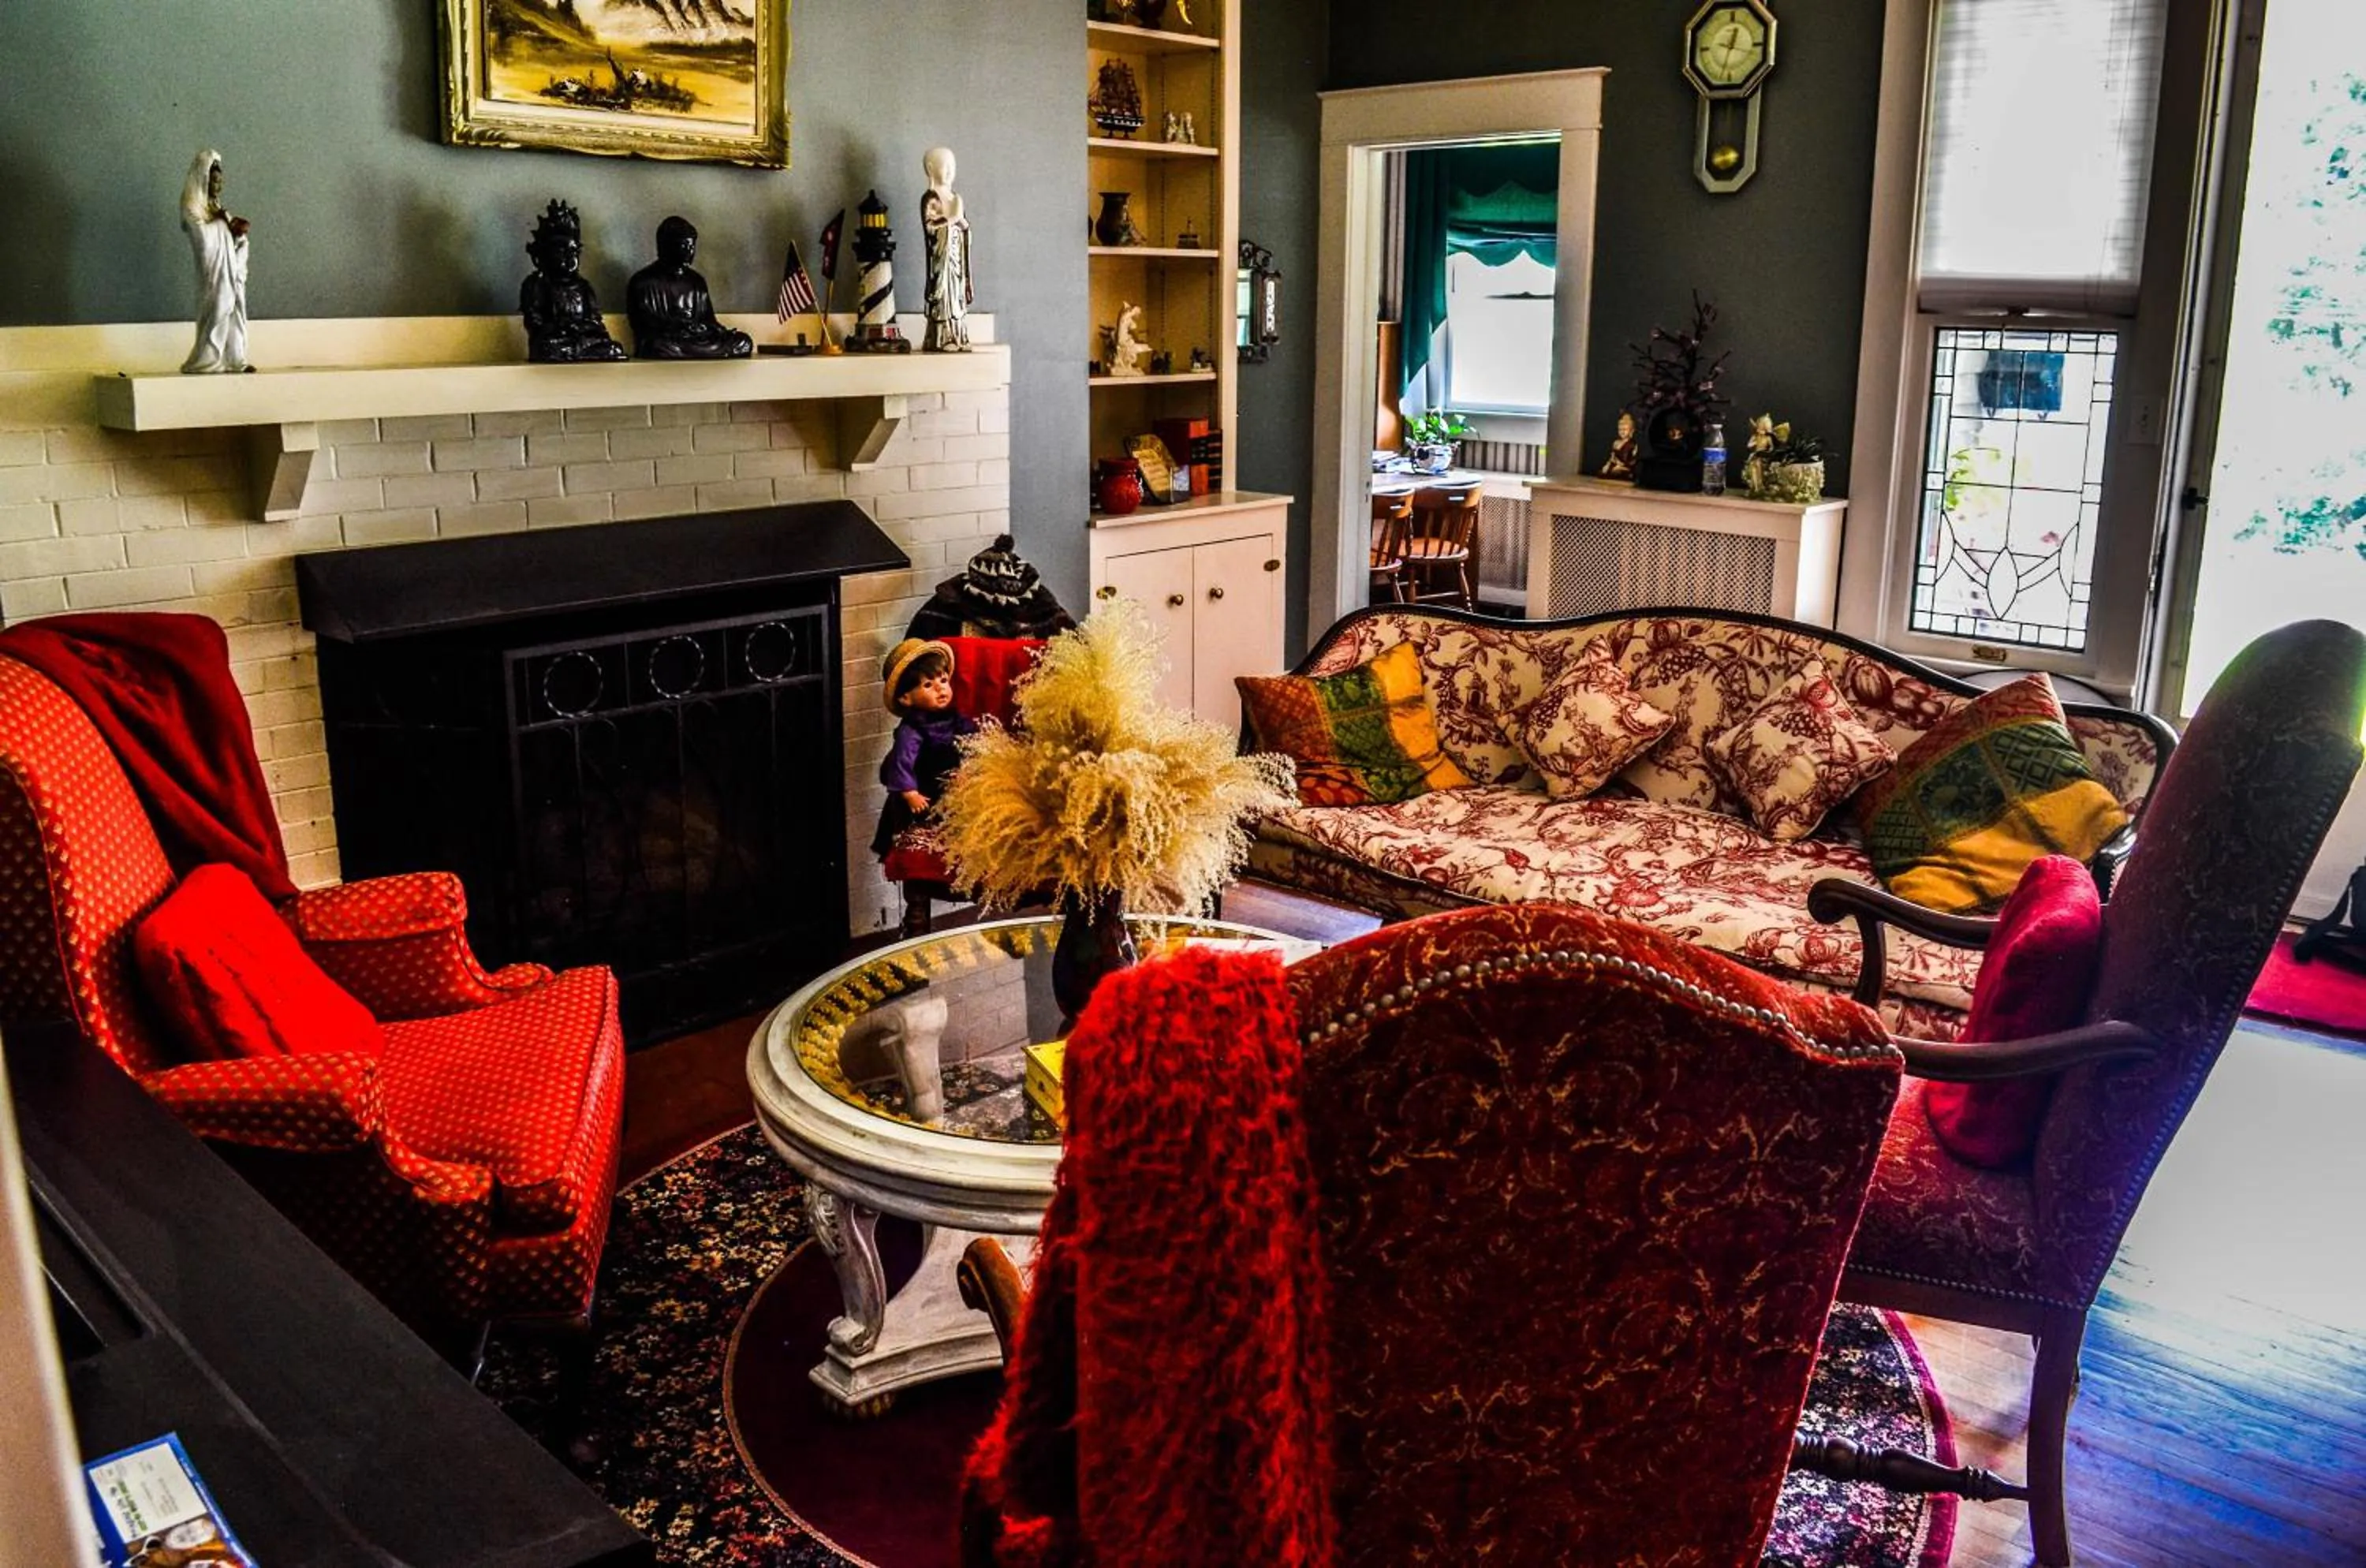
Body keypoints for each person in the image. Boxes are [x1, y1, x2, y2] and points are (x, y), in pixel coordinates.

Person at [871, 638, 980, 861]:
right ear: (906, 698)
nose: (941, 688)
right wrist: (910, 793)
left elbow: (971, 735)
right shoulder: (912, 730)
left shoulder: (952, 716)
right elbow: (902, 762)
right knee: (930, 821)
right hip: (928, 789)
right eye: (928, 685)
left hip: (954, 783)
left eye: (943, 680)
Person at [626, 215, 753, 360]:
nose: (690, 252)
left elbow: (709, 320)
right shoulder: (643, 282)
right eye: (684, 246)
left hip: (695, 340)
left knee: (743, 341)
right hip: (671, 341)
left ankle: (702, 352)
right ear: (666, 247)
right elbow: (644, 326)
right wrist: (680, 327)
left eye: (692, 246)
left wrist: (709, 328)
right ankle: (701, 352)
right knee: (658, 346)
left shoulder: (696, 281)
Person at [519, 200, 627, 364]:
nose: (570, 258)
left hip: (583, 340)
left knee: (613, 348)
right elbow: (535, 323)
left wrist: (582, 328)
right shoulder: (537, 284)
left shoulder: (583, 286)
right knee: (548, 348)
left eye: (574, 252)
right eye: (561, 252)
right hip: (556, 341)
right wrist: (560, 328)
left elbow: (595, 322)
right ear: (543, 255)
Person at [179, 150, 250, 375]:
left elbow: (232, 237)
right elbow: (201, 237)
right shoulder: (192, 205)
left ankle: (234, 358)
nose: (219, 187)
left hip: (228, 271)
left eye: (221, 182)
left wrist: (238, 234)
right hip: (213, 271)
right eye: (215, 182)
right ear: (204, 180)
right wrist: (222, 226)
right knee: (217, 307)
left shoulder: (216, 207)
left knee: (232, 309)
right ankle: (206, 360)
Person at [921, 147, 973, 353]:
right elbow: (930, 228)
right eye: (945, 166)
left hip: (956, 258)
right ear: (931, 169)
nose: (950, 171)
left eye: (953, 166)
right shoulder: (931, 198)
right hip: (941, 259)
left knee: (957, 297)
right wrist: (953, 219)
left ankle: (959, 335)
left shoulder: (955, 198)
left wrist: (963, 225)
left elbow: (964, 228)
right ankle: (942, 337)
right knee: (944, 297)